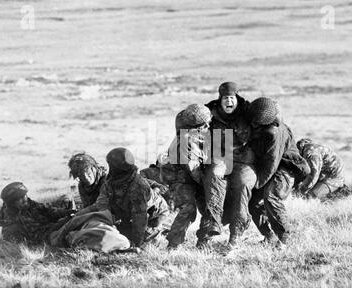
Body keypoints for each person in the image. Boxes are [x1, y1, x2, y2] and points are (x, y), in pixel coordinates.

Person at [74, 148, 173, 248]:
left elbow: (140, 219)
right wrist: (79, 217)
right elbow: (101, 204)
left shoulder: (138, 187)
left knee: (139, 241)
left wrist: (135, 244)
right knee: (116, 233)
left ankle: (160, 234)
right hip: (128, 214)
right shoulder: (110, 181)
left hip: (154, 215)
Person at [245, 97, 310, 246]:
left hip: (288, 169)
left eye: (256, 122)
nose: (253, 124)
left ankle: (285, 239)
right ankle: (269, 237)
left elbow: (271, 163)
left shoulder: (274, 133)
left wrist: (257, 184)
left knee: (271, 196)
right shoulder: (261, 124)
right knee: (252, 202)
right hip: (270, 169)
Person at [201, 82, 257, 248]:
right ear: (220, 99)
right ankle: (212, 226)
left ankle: (236, 233)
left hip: (245, 160)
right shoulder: (210, 112)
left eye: (232, 98)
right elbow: (193, 127)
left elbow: (267, 119)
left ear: (237, 98)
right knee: (213, 176)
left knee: (242, 185)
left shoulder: (249, 112)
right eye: (225, 98)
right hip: (222, 158)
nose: (228, 102)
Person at [161, 103, 209, 250]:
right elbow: (193, 169)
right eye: (206, 124)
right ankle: (173, 244)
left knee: (209, 208)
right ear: (199, 126)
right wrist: (208, 184)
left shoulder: (193, 133)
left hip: (192, 176)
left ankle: (203, 243)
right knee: (188, 209)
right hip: (180, 179)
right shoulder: (186, 141)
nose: (208, 126)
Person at [0, 182, 74, 244]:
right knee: (78, 223)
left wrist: (65, 212)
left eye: (24, 196)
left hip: (53, 229)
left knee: (81, 215)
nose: (24, 199)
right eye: (19, 199)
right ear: (12, 203)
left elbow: (48, 210)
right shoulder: (14, 219)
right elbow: (39, 234)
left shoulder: (28, 204)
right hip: (48, 237)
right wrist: (65, 221)